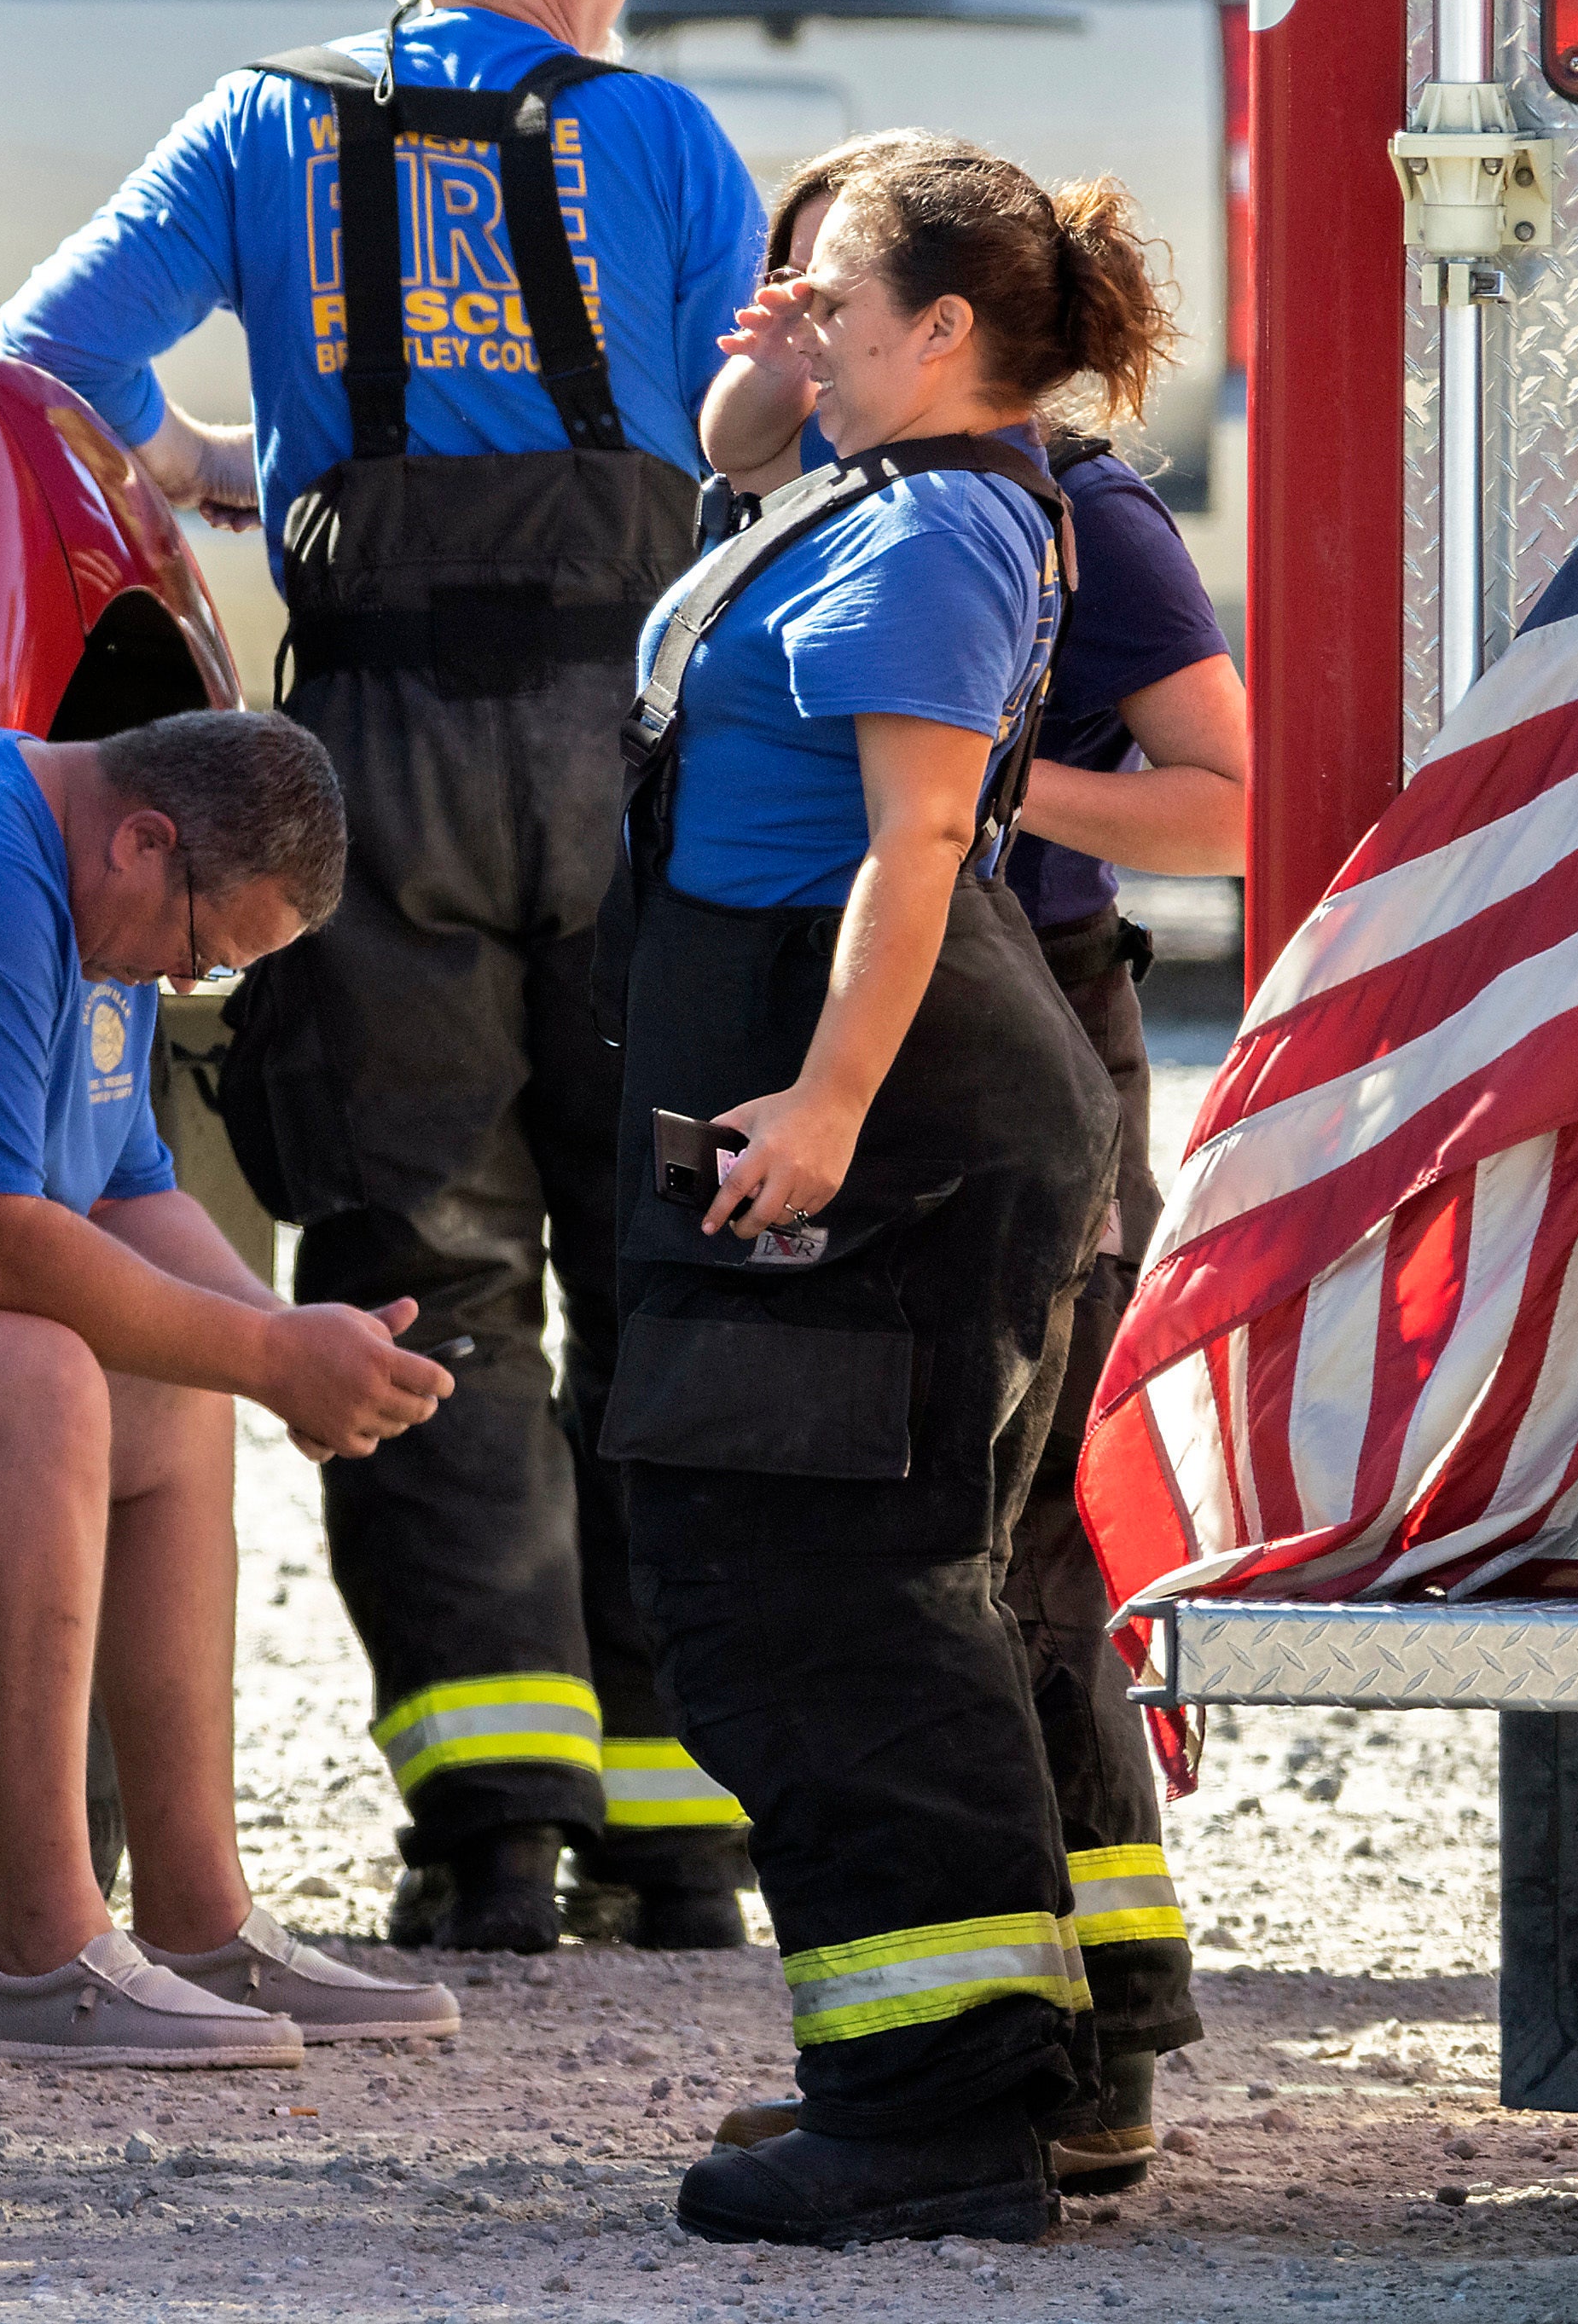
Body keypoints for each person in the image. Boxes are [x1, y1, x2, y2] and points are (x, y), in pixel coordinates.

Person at [0, 0, 768, 1955]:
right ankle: (684, 1830)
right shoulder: (666, 137)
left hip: (371, 761)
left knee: (414, 1250)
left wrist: (235, 464)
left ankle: (484, 1826)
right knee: (665, 1260)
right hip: (626, 752)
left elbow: (47, 355)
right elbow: (729, 444)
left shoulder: (264, 119)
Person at [601, 140, 1159, 2250]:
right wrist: (778, 365)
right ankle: (1000, 2073)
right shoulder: (863, 477)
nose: (791, 320)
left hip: (885, 1119)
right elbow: (723, 465)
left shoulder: (936, 527)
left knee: (827, 1594)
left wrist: (827, 1107)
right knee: (853, 1579)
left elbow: (914, 847)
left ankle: (931, 2114)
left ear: (945, 330)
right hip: (817, 1087)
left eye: (828, 296)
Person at [0, 711, 469, 2066]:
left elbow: (121, 1192)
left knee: (169, 1399)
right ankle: (38, 1960)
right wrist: (271, 1355)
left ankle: (192, 1921)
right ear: (149, 838)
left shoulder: (94, 882)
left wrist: (288, 1339)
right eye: (198, 951)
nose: (179, 982)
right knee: (41, 1378)